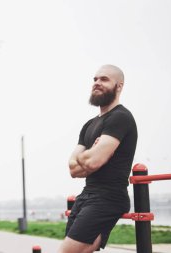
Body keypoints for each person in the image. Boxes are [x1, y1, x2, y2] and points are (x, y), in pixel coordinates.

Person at [59, 65, 138, 253]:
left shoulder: (121, 117)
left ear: (119, 86)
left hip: (108, 197)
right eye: (94, 79)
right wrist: (94, 152)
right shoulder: (89, 125)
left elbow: (92, 162)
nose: (96, 83)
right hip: (87, 194)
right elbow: (73, 169)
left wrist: (89, 157)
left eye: (103, 79)